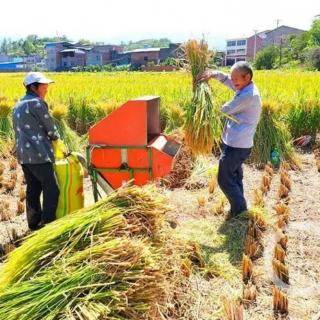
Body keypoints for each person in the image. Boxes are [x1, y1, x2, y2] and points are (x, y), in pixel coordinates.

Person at [197, 62, 262, 217]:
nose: (233, 82)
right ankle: (239, 208)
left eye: (236, 79)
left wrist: (203, 105)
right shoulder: (244, 87)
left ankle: (240, 210)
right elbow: (226, 79)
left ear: (247, 77)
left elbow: (224, 110)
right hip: (235, 142)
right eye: (232, 79)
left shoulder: (248, 95)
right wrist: (213, 74)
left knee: (224, 179)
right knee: (235, 175)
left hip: (237, 146)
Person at [12, 72, 60, 230]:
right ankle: (48, 224)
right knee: (52, 188)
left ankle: (33, 223)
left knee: (33, 188)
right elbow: (51, 129)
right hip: (38, 154)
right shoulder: (37, 103)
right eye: (43, 87)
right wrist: (56, 138)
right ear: (33, 87)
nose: (46, 89)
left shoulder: (18, 104)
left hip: (24, 156)